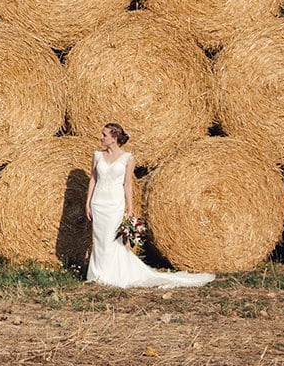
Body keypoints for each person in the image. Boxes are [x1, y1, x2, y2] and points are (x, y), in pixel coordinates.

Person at [84, 122, 213, 289]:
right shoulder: (97, 156)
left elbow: (127, 184)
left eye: (104, 135)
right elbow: (93, 179)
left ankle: (110, 275)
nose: (101, 137)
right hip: (98, 202)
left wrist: (130, 209)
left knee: (110, 240)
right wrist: (88, 203)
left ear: (114, 139)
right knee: (99, 240)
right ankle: (98, 274)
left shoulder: (127, 158)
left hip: (114, 204)